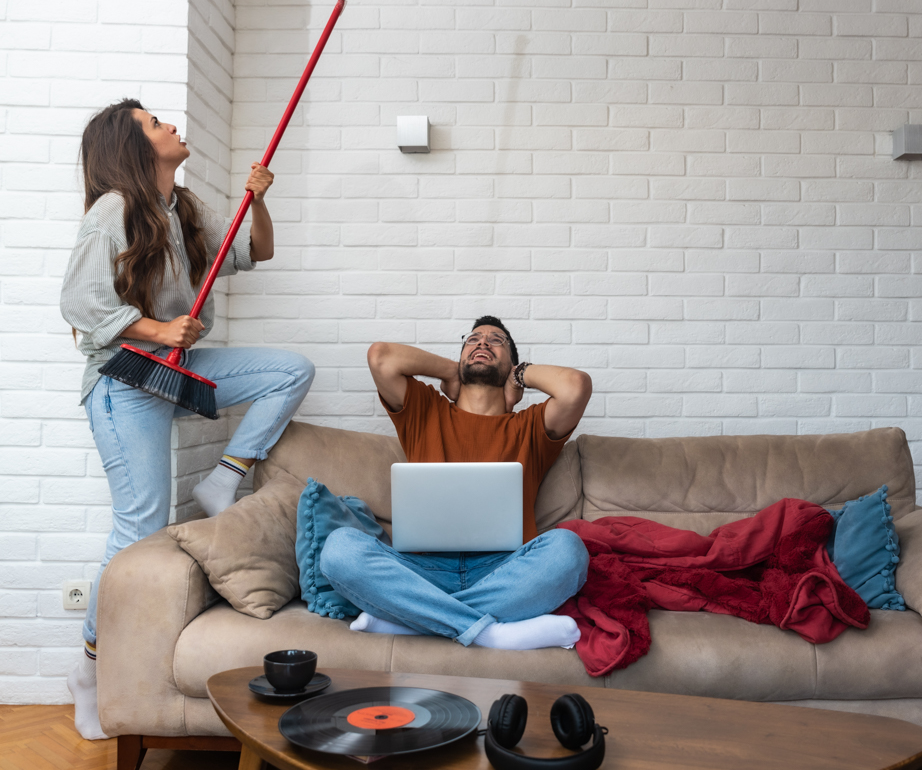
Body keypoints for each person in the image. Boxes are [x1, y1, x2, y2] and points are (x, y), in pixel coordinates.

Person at [60, 100, 315, 739]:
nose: (170, 125)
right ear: (133, 146)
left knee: (290, 370)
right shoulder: (113, 210)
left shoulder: (184, 211)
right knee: (141, 523)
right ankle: (91, 668)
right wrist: (157, 327)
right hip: (125, 382)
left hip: (175, 368)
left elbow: (257, 252)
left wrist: (258, 199)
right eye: (154, 123)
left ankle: (226, 475)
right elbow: (80, 304)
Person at [317, 317, 592, 650]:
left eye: (496, 341)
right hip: (422, 571)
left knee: (568, 551)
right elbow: (381, 357)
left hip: (503, 570)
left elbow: (576, 386)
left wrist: (519, 375)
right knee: (339, 550)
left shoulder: (531, 426)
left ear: (511, 364)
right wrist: (451, 371)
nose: (482, 343)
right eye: (472, 340)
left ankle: (414, 620)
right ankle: (491, 633)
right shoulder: (425, 409)